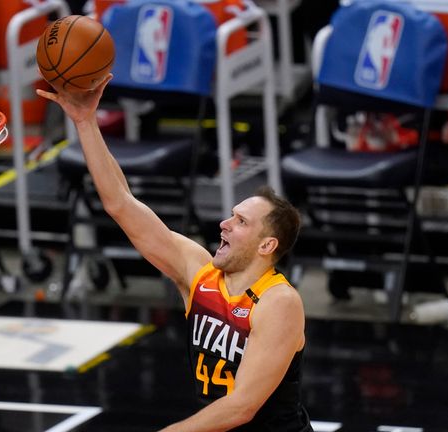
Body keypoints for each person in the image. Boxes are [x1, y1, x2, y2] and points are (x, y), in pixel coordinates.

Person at [37, 76, 312, 431]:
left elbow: (241, 407)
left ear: (266, 245)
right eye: (231, 215)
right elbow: (121, 204)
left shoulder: (278, 302)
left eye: (241, 221)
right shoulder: (200, 272)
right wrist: (85, 122)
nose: (224, 224)